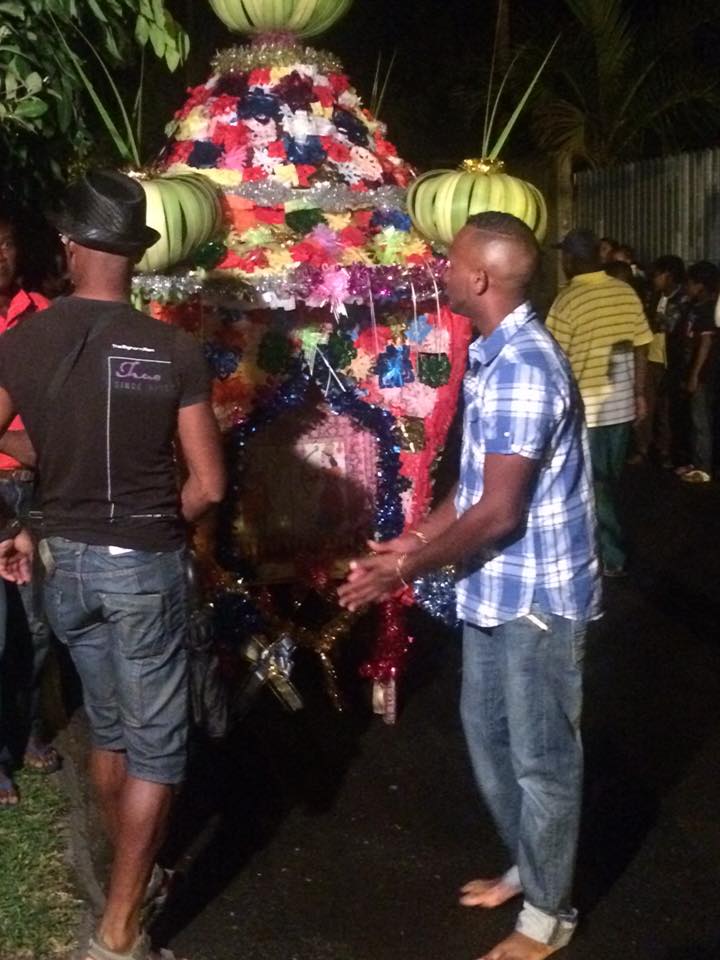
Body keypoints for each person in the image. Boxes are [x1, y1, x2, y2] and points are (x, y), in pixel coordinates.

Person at [339, 211, 601, 960]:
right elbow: (477, 486)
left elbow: (500, 510)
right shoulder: (495, 353)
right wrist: (417, 538)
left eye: (451, 262)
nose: (442, 271)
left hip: (538, 601)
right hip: (493, 588)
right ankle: (532, 866)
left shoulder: (524, 366)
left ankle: (549, 917)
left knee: (542, 758)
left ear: (481, 277)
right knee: (489, 738)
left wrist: (404, 568)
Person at [0, 170, 226, 960]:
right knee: (158, 748)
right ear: (135, 254)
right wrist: (154, 522)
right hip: (143, 564)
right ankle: (118, 929)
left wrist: (21, 516)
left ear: (70, 247)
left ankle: (131, 873)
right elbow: (209, 484)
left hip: (64, 568)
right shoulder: (171, 348)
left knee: (110, 726)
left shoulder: (19, 341)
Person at [546, 228, 653, 577]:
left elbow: (554, 361)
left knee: (594, 485)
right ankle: (601, 547)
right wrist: (639, 394)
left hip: (586, 411)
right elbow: (641, 346)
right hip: (621, 408)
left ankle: (610, 554)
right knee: (606, 483)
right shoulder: (625, 293)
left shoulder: (566, 301)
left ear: (571, 260)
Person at [0, 204, 58, 807]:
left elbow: (57, 432)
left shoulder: (46, 318)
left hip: (35, 490)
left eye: (7, 243)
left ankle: (28, 724)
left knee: (37, 623)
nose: (0, 255)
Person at [631, 255, 685, 467]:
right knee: (646, 405)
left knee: (666, 409)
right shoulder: (654, 297)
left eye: (657, 274)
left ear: (668, 275)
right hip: (651, 358)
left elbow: (671, 327)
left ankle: (665, 451)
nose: (654, 278)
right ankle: (643, 449)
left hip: (670, 361)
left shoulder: (682, 299)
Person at [673, 260, 719, 483]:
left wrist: (694, 375)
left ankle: (703, 468)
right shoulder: (695, 307)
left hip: (704, 374)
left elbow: (705, 344)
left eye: (690, 284)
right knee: (693, 418)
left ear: (701, 285)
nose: (687, 288)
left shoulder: (709, 309)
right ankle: (696, 460)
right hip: (691, 369)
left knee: (701, 421)